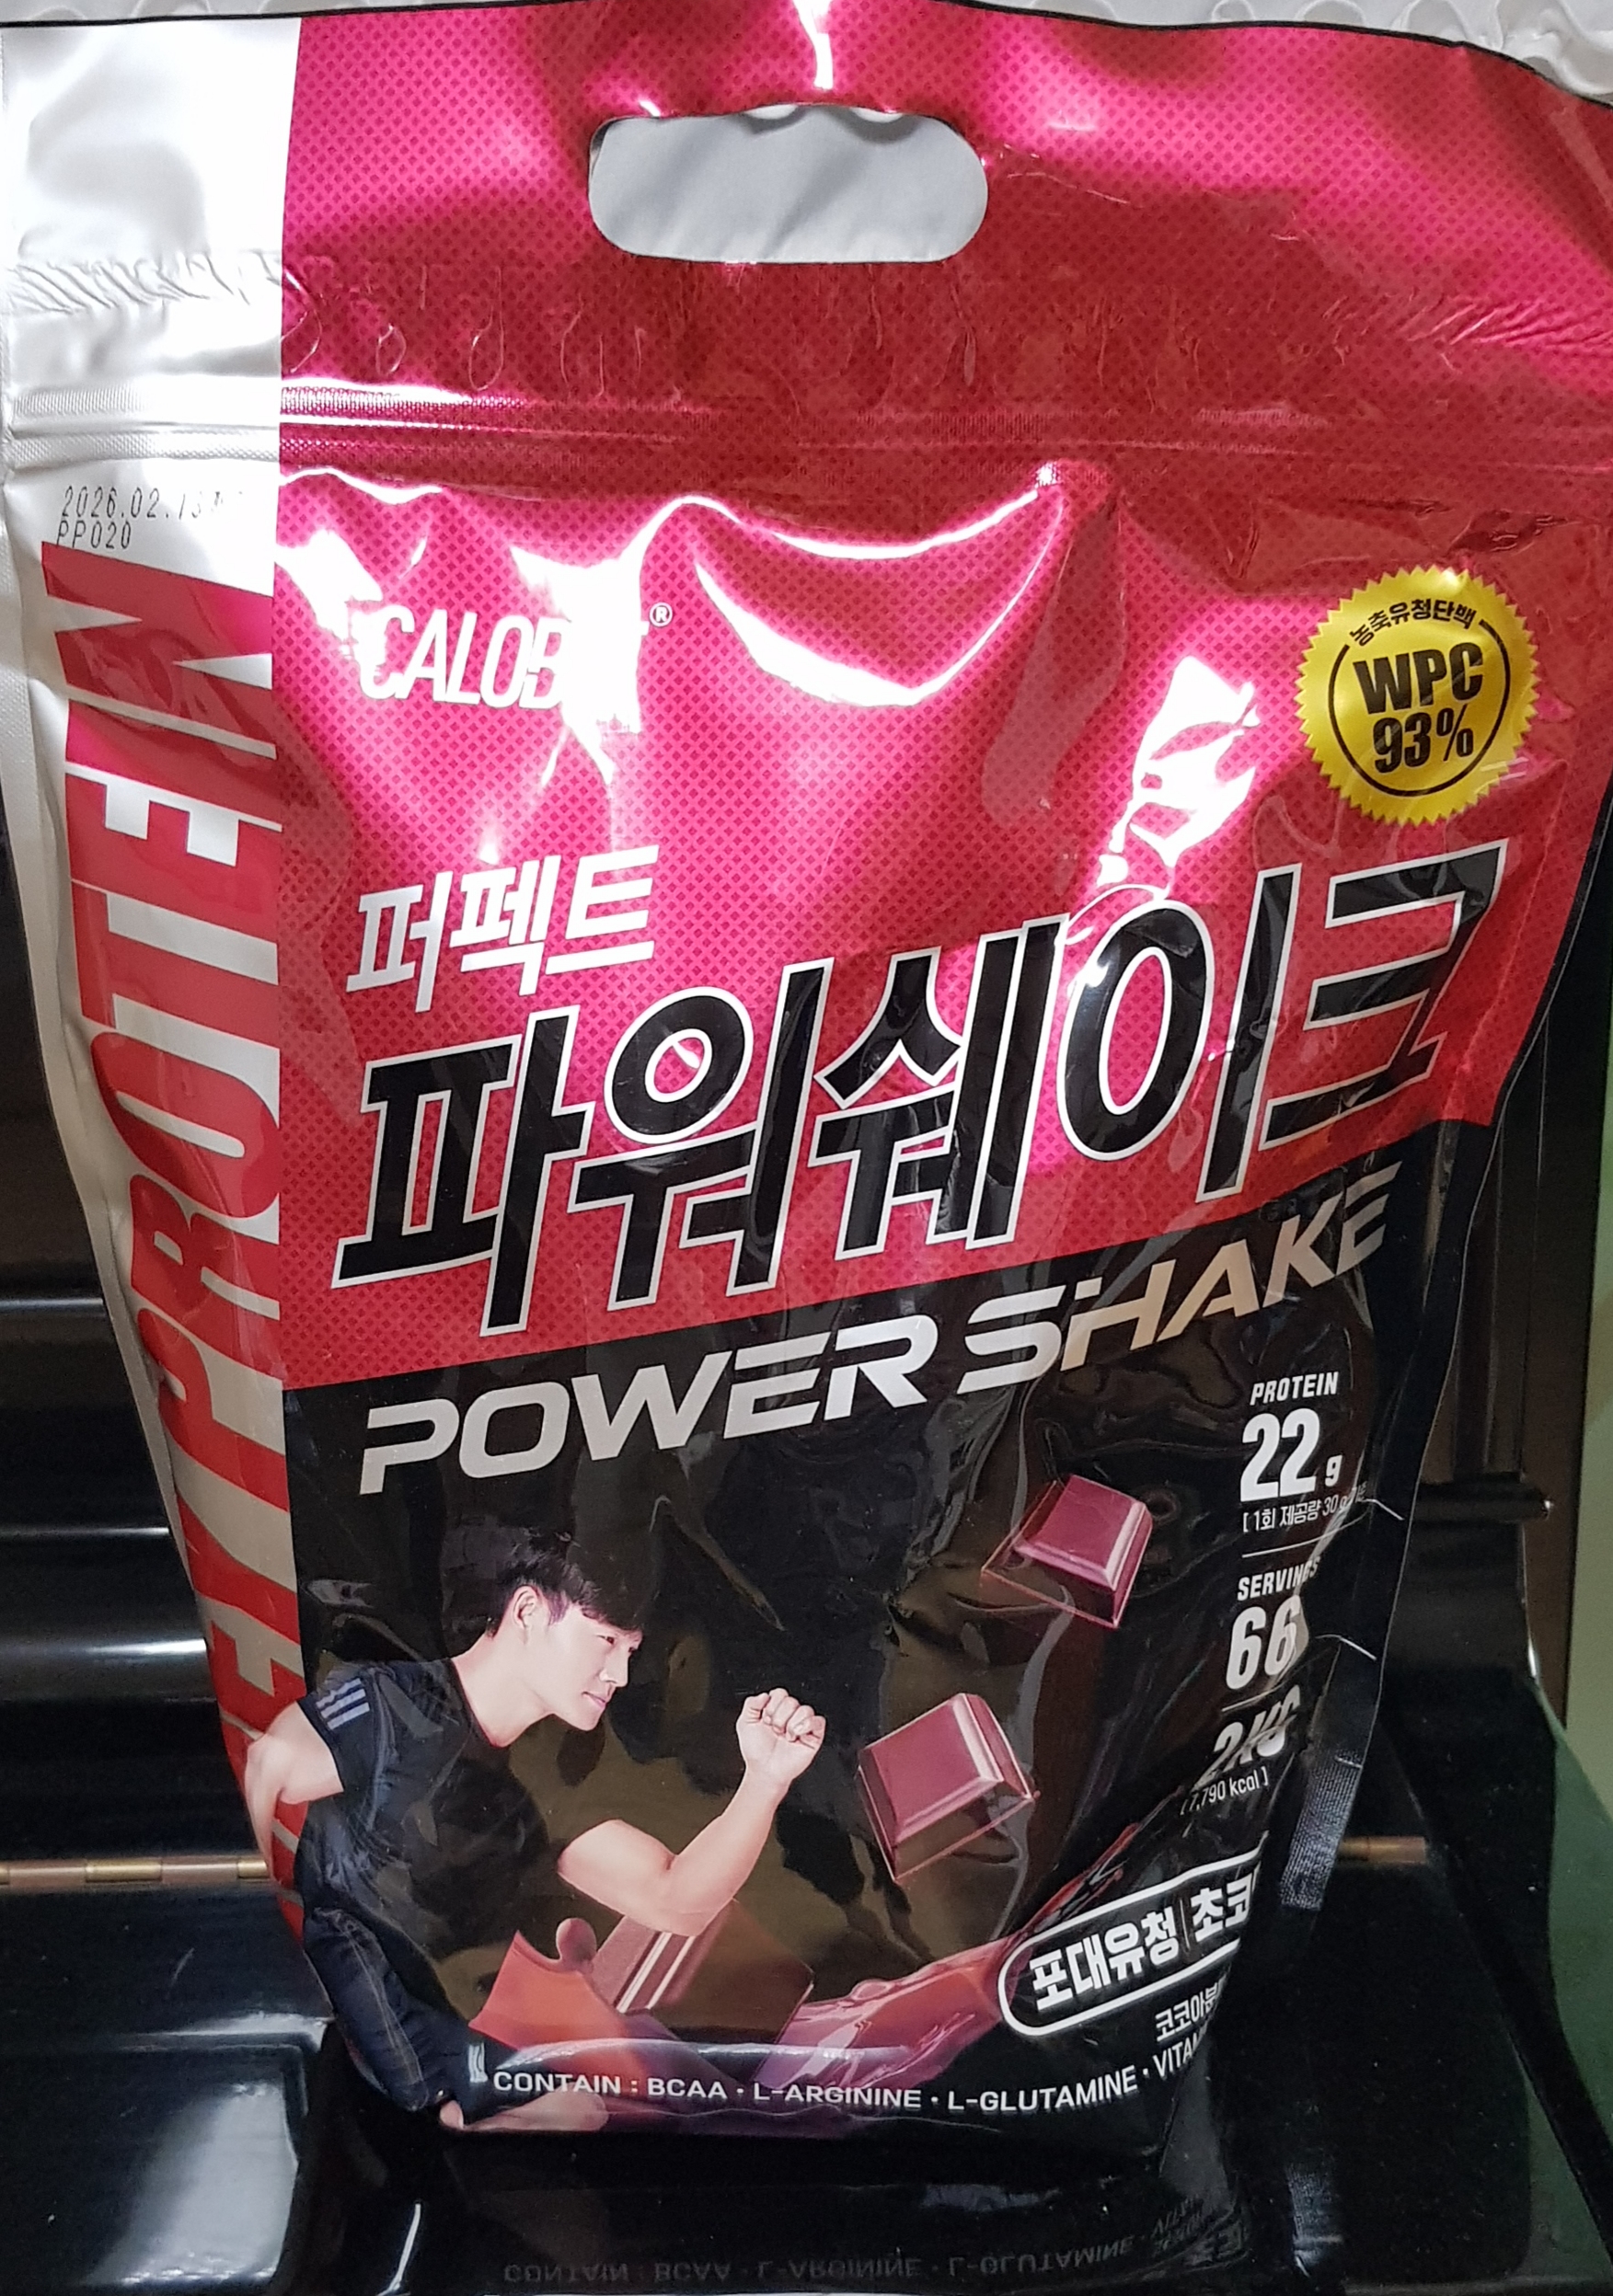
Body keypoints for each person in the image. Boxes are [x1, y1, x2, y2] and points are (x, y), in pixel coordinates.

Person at [244, 1518, 824, 2129]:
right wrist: (264, 1969)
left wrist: (764, 1782)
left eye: (629, 1651)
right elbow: (267, 1764)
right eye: (604, 1640)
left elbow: (675, 1900)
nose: (620, 1675)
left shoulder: (549, 1776)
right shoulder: (395, 1704)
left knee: (587, 2107)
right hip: (343, 2006)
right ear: (526, 1611)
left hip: (444, 2034)